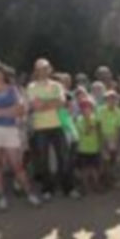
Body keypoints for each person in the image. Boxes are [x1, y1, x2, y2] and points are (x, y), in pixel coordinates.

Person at [0, 60, 40, 210]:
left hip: (10, 129)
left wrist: (1, 111)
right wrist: (11, 110)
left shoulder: (13, 89)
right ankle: (1, 196)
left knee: (17, 165)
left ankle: (30, 194)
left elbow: (20, 110)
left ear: (4, 74)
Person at [27, 58, 75, 200]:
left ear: (50, 69)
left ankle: (68, 188)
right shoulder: (31, 87)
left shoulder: (57, 86)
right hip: (40, 127)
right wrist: (52, 103)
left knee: (64, 158)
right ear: (35, 71)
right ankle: (47, 189)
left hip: (58, 125)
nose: (42, 71)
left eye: (45, 68)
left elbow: (62, 102)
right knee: (43, 161)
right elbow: (35, 106)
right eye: (39, 69)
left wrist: (44, 104)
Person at [74, 91, 101, 194]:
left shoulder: (96, 119)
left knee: (94, 168)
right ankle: (85, 186)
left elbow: (99, 132)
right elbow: (86, 131)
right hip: (83, 148)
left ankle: (96, 184)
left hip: (94, 147)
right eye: (84, 108)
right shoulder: (79, 120)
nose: (86, 110)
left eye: (88, 107)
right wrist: (89, 122)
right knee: (84, 169)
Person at [97, 90, 120, 187]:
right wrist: (102, 141)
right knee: (105, 159)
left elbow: (118, 127)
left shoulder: (118, 111)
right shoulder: (100, 110)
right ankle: (106, 180)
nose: (111, 101)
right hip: (104, 136)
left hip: (114, 137)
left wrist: (117, 141)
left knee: (116, 159)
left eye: (114, 99)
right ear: (106, 100)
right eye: (109, 99)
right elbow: (99, 126)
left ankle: (114, 179)